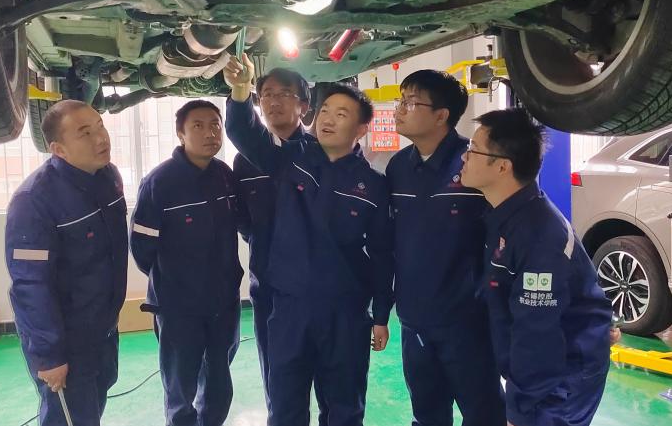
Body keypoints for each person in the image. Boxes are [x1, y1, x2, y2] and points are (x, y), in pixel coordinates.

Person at [224, 53, 395, 426]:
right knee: (286, 405)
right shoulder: (290, 160)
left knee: (344, 406)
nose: (329, 119)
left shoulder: (372, 186)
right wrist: (240, 90)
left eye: (341, 114)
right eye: (326, 111)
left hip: (345, 313)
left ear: (361, 129)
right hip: (290, 309)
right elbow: (245, 133)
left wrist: (381, 314)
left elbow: (383, 254)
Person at [459, 108, 613, 426]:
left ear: (502, 166)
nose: (464, 157)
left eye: (473, 150)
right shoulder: (504, 215)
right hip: (544, 370)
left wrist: (520, 411)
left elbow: (537, 336)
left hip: (562, 377)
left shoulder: (540, 237)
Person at [385, 70, 506, 426]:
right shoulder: (398, 167)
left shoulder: (474, 164)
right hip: (415, 321)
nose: (399, 109)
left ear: (441, 115)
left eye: (411, 102)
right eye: (400, 100)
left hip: (467, 323)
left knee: (483, 414)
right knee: (427, 415)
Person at [5, 99, 128, 426]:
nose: (101, 138)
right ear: (58, 150)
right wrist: (50, 355)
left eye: (100, 126)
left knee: (93, 406)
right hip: (65, 340)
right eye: (85, 133)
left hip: (101, 328)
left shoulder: (108, 177)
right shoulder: (34, 201)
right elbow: (30, 285)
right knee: (70, 417)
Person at [130, 100, 247, 426]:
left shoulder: (225, 176)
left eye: (215, 125)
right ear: (181, 133)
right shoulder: (160, 183)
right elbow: (142, 249)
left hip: (223, 302)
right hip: (178, 307)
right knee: (180, 385)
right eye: (198, 126)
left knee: (219, 379)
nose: (210, 133)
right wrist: (175, 280)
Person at [231, 68, 332, 423]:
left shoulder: (320, 151)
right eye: (267, 94)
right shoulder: (245, 158)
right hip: (270, 287)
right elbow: (242, 217)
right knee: (280, 383)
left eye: (284, 94)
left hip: (320, 287)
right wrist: (267, 243)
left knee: (331, 382)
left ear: (304, 105)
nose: (273, 101)